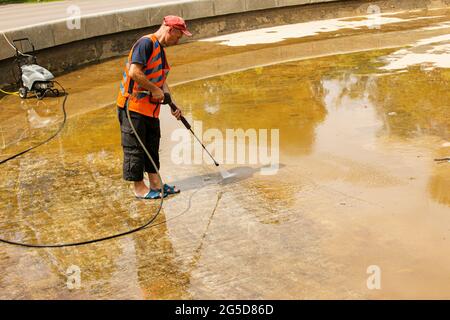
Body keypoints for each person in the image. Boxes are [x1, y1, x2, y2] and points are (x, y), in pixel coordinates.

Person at [116, 15, 192, 199]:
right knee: (135, 148)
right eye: (178, 36)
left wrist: (172, 103)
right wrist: (154, 89)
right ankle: (140, 189)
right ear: (170, 30)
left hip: (150, 109)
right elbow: (135, 72)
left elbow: (162, 80)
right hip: (132, 107)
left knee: (151, 146)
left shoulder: (160, 50)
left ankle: (156, 184)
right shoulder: (145, 44)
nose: (178, 40)